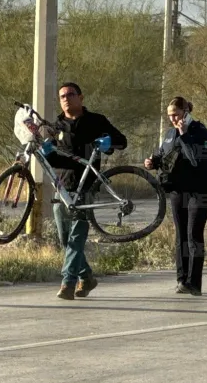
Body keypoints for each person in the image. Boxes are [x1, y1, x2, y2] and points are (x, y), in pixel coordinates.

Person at [47, 82, 128, 300]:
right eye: (61, 95)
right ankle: (88, 277)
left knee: (76, 237)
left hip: (86, 189)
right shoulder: (57, 126)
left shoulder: (96, 121)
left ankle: (68, 283)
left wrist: (109, 142)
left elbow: (122, 141)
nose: (65, 98)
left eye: (70, 94)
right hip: (62, 189)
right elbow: (51, 158)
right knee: (65, 240)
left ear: (81, 98)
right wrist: (45, 151)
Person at [144, 97, 207, 296]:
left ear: (185, 111)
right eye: (169, 116)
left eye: (175, 114)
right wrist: (153, 162)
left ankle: (195, 282)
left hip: (199, 189)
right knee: (181, 235)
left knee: (194, 234)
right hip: (178, 189)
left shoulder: (200, 131)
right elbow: (163, 156)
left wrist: (184, 134)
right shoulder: (169, 133)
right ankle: (182, 279)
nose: (173, 119)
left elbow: (196, 159)